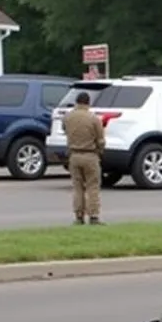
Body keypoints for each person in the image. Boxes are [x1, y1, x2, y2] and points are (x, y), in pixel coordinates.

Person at [62, 90, 106, 225]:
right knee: (92, 187)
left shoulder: (68, 117)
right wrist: (100, 151)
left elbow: (65, 130)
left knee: (77, 187)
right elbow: (100, 140)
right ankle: (93, 216)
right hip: (90, 155)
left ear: (76, 102)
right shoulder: (93, 119)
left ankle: (79, 216)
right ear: (88, 103)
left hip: (74, 155)